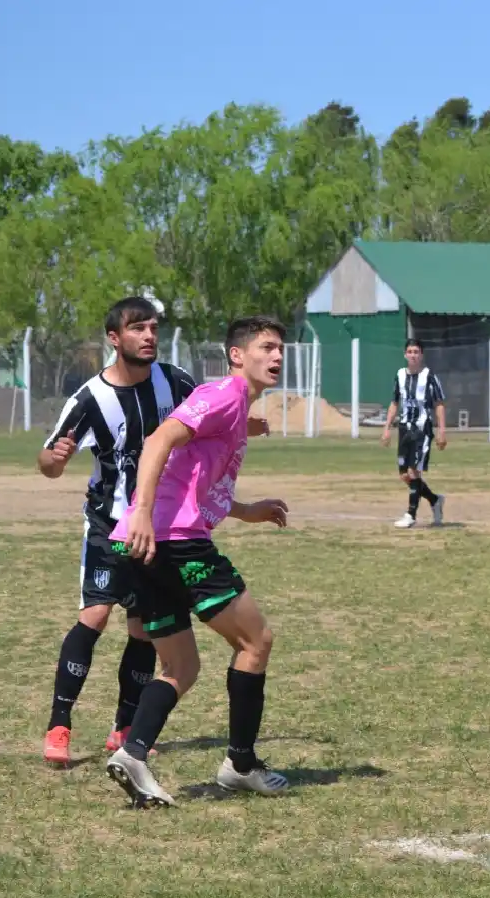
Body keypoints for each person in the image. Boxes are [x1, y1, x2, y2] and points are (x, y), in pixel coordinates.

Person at [105, 316, 291, 808]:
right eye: (266, 347)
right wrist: (142, 511)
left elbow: (191, 480)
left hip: (142, 544)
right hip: (172, 540)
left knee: (180, 666)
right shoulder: (223, 396)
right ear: (237, 355)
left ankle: (133, 754)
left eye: (280, 349)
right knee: (256, 641)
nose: (276, 356)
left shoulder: (235, 410)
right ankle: (241, 764)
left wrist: (247, 510)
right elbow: (159, 441)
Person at [37, 296, 199, 766]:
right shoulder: (89, 399)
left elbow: (207, 420)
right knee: (95, 617)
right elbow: (47, 461)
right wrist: (56, 460)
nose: (149, 336)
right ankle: (59, 724)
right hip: (108, 526)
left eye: (152, 328)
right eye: (137, 328)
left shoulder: (176, 382)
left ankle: (124, 724)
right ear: (114, 338)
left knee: (144, 629)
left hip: (159, 527)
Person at [381, 339, 447, 528]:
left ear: (421, 355)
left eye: (416, 351)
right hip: (404, 428)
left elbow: (439, 404)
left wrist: (442, 431)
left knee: (414, 471)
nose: (413, 355)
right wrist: (387, 428)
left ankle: (410, 515)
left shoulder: (430, 376)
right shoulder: (400, 375)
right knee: (405, 475)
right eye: (410, 351)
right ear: (405, 354)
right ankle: (435, 500)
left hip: (422, 429)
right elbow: (394, 403)